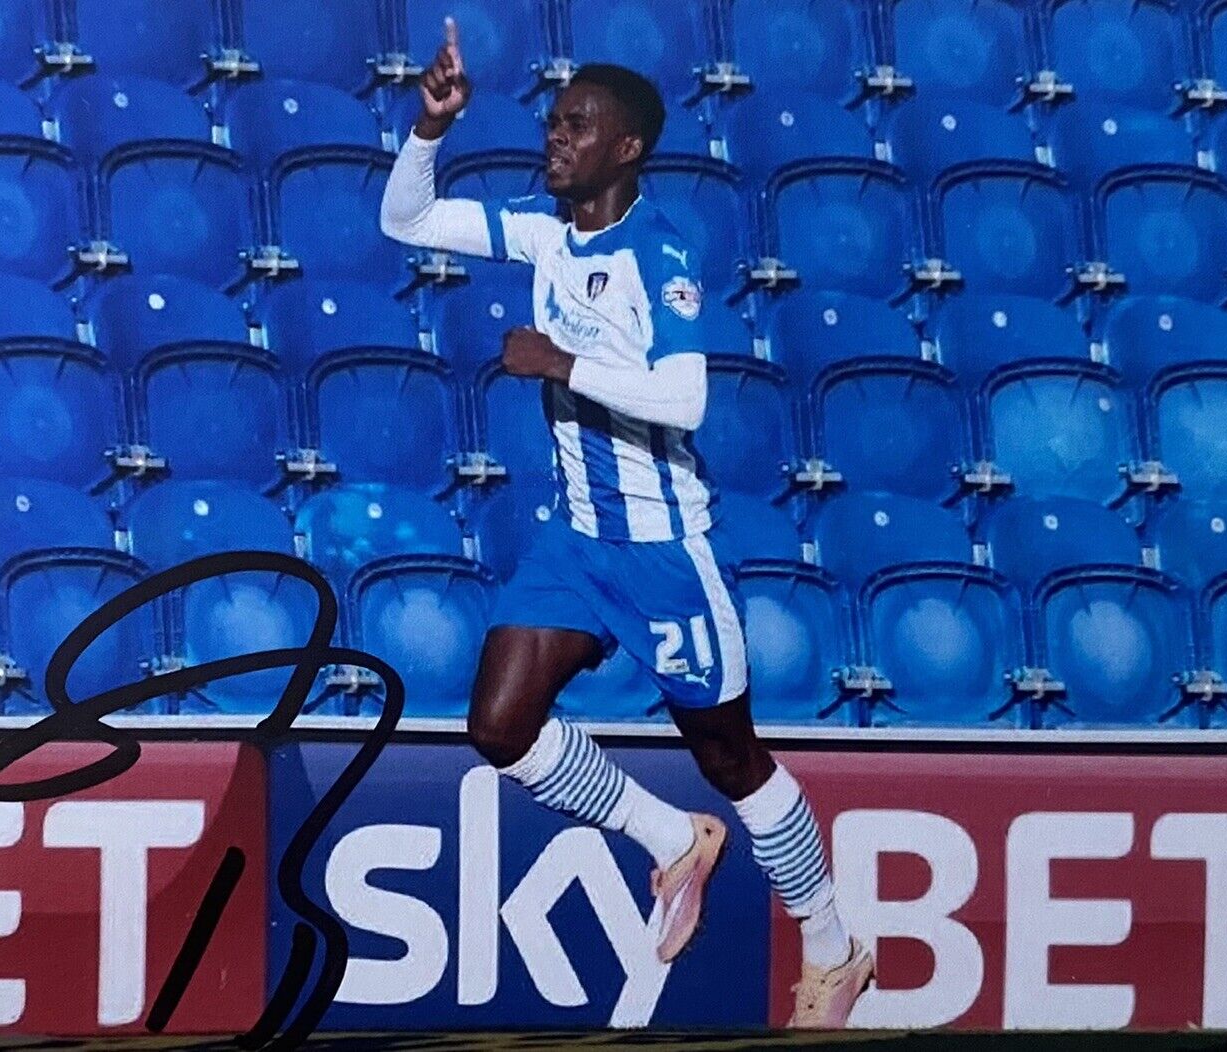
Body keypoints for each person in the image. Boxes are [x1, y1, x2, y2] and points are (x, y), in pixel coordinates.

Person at [379, 17, 875, 1028]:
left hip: (664, 553)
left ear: (626, 147)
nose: (553, 138)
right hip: (574, 544)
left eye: (576, 125)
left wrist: (558, 363)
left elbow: (686, 398)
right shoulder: (546, 234)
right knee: (499, 724)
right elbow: (407, 222)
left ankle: (832, 946)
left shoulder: (661, 253)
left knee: (731, 756)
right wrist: (429, 129)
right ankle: (665, 836)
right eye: (553, 122)